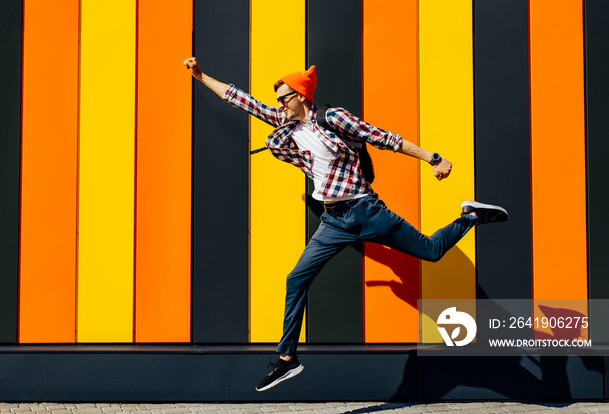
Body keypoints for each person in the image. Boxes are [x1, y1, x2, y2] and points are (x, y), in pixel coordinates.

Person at [183, 57, 508, 392]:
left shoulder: (332, 117)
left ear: (301, 96)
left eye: (284, 97)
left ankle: (470, 215)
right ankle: (286, 360)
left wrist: (434, 159)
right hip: (334, 221)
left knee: (432, 251)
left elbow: (383, 138)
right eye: (278, 99)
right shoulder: (285, 121)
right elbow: (241, 100)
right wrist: (200, 75)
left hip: (366, 210)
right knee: (296, 279)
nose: (278, 104)